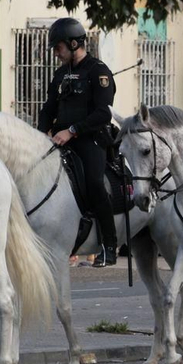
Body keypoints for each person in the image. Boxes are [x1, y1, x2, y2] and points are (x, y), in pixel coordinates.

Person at [39, 17, 119, 267]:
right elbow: (48, 108)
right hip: (59, 140)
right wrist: (40, 134)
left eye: (58, 47)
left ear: (74, 44)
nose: (55, 53)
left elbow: (104, 113)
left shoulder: (98, 71)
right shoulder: (60, 74)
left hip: (89, 140)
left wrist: (72, 131)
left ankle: (109, 244)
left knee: (95, 183)